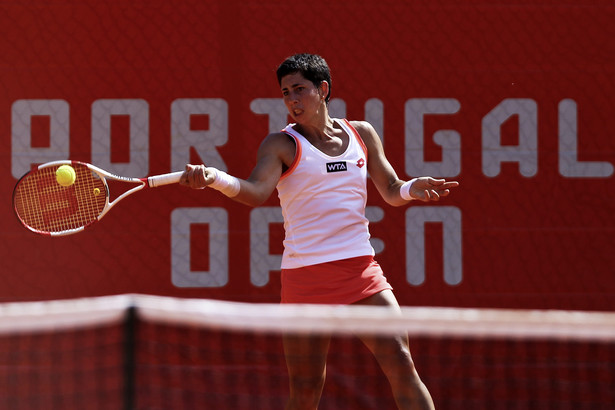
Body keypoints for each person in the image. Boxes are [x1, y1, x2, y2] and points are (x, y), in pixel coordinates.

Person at [180, 53, 458, 410]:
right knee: (307, 386)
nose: (292, 100)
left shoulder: (363, 134)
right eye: (285, 93)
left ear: (323, 89)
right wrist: (215, 178)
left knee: (401, 361)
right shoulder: (281, 145)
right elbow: (254, 192)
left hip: (360, 271)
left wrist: (410, 188)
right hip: (305, 278)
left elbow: (390, 188)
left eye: (300, 90)